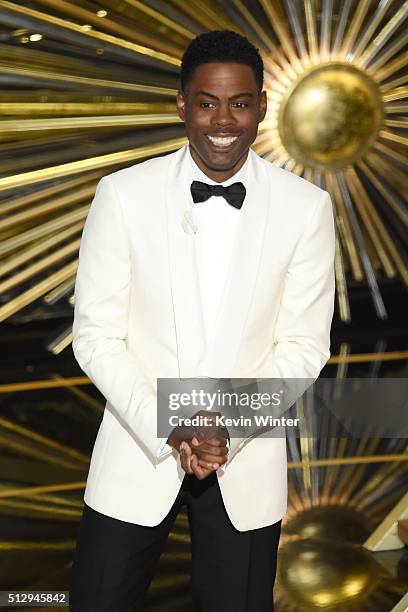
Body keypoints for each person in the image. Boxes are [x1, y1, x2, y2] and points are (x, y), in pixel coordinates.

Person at [69, 30, 335, 612]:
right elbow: (95, 335)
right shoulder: (122, 195)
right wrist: (173, 423)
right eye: (208, 102)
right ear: (182, 104)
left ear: (262, 106)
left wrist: (226, 428)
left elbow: (305, 346)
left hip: (246, 464)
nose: (224, 120)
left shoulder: (307, 209)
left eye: (240, 103)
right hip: (138, 453)